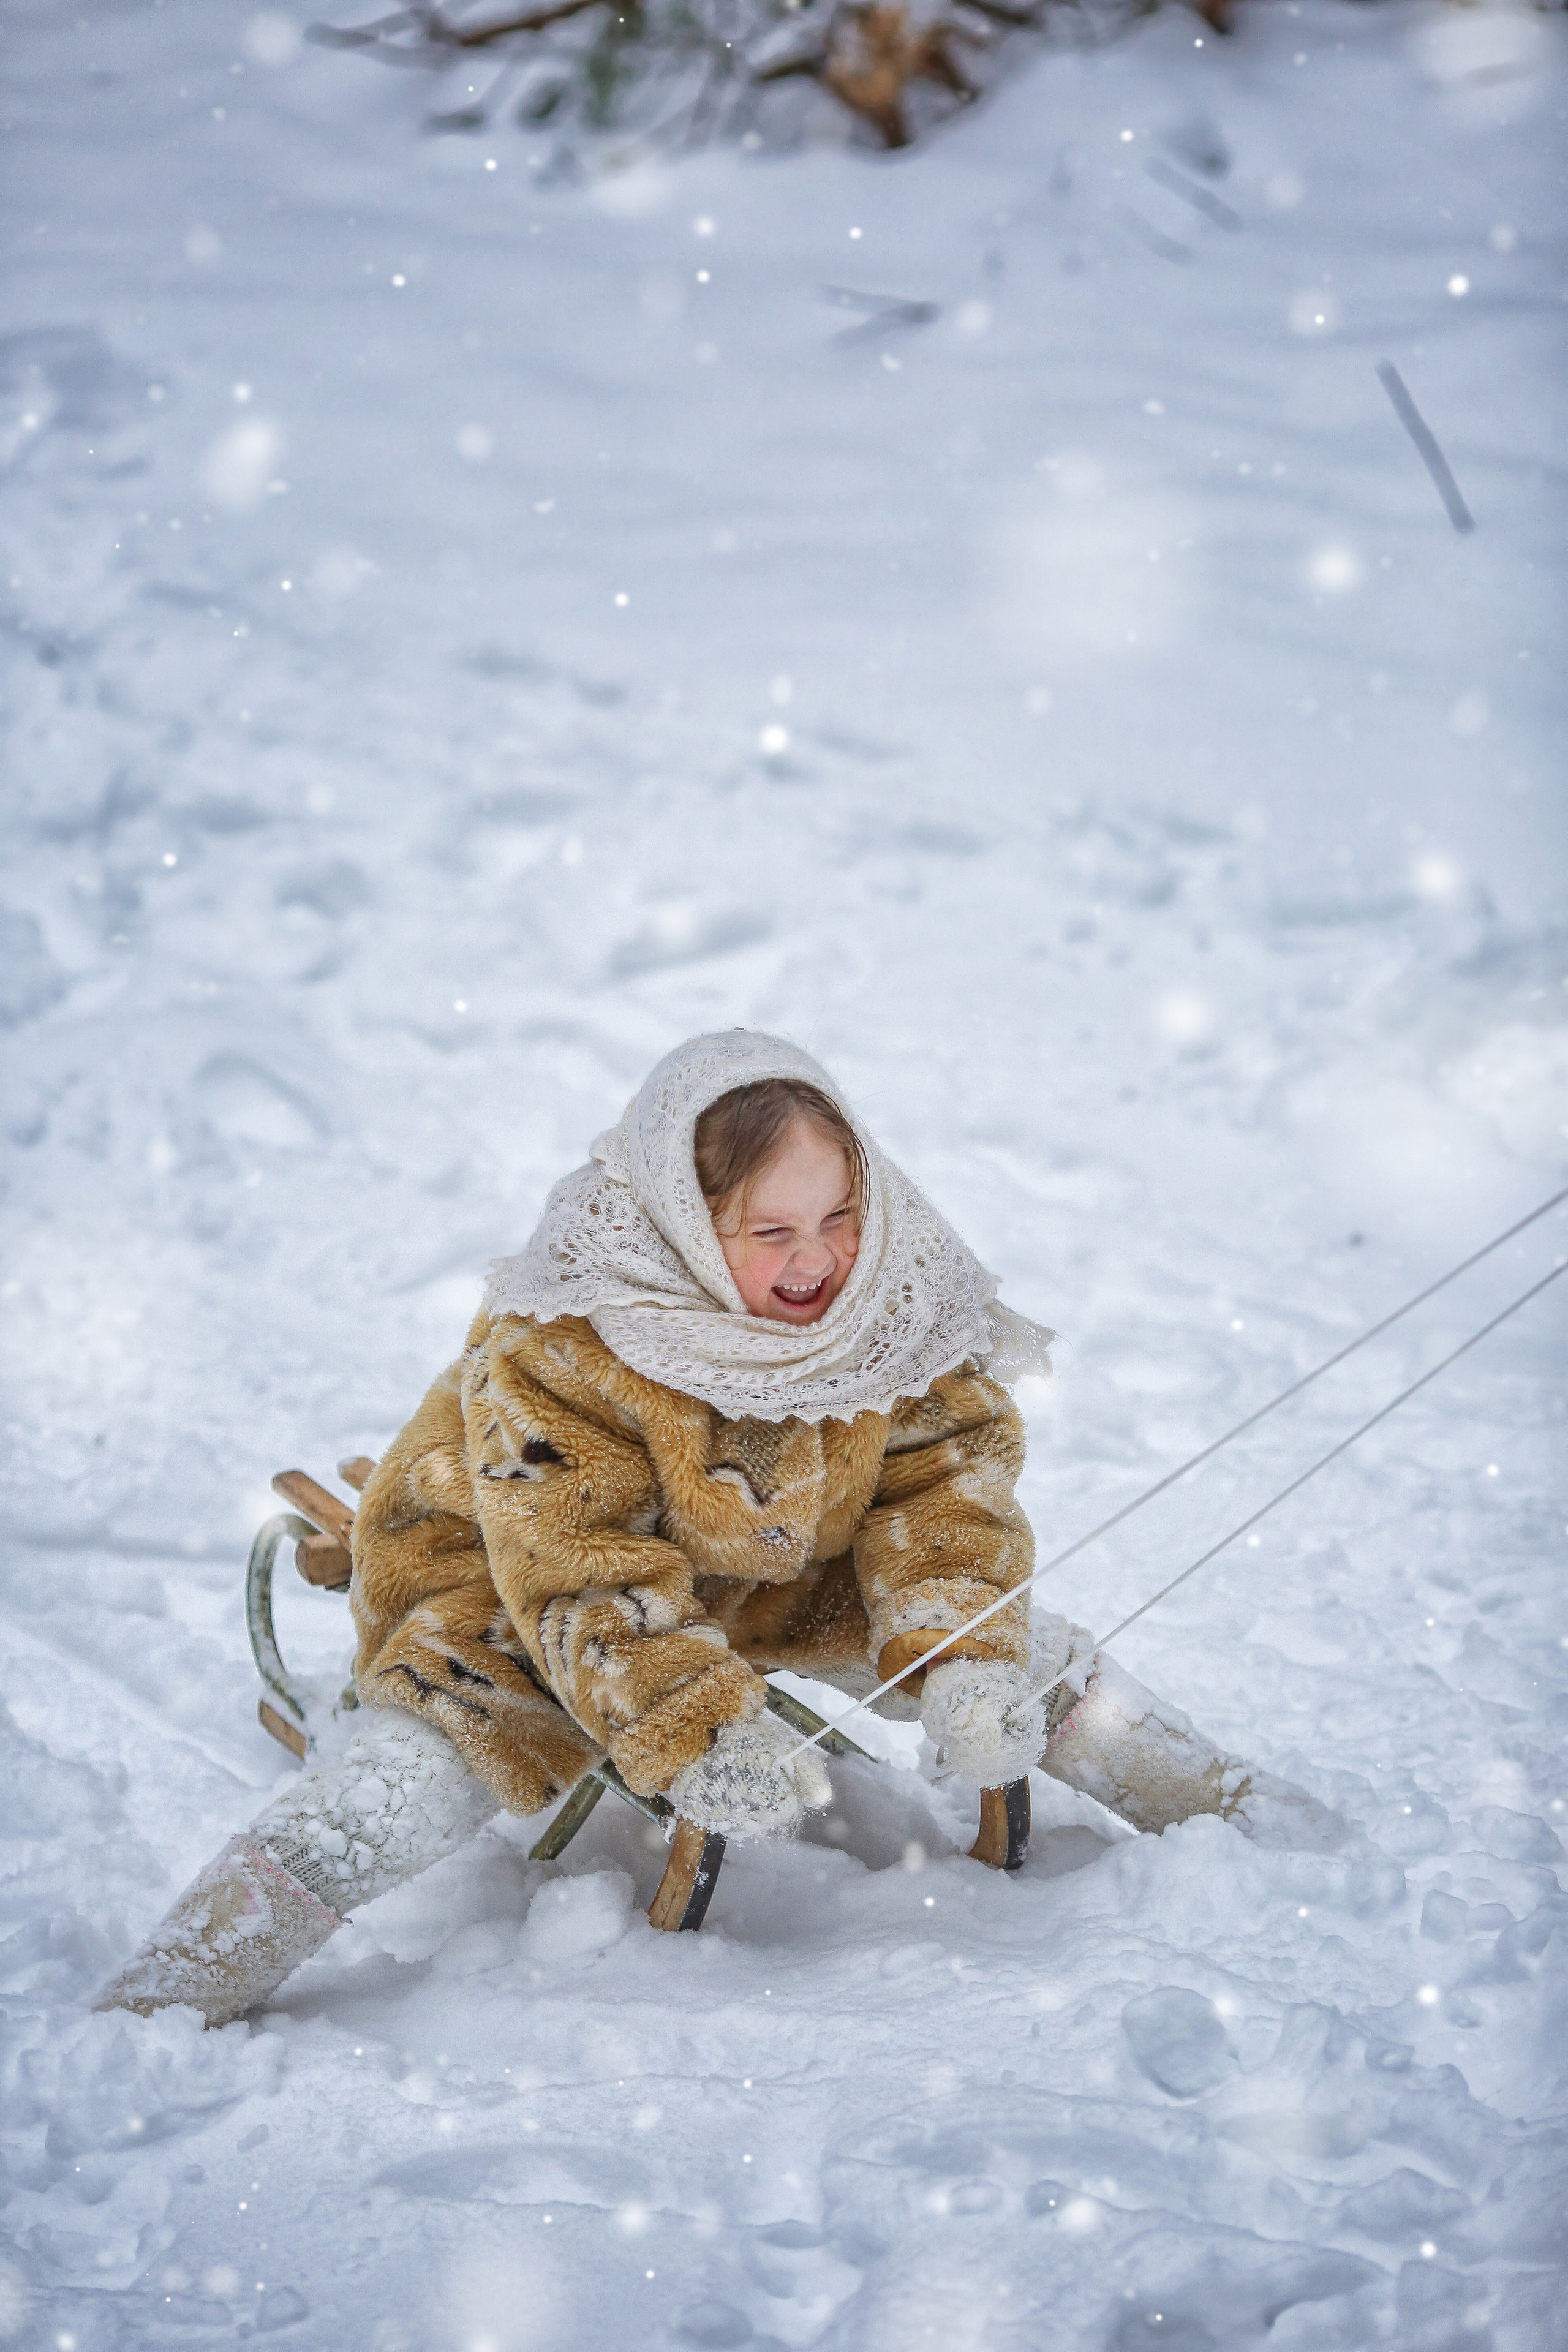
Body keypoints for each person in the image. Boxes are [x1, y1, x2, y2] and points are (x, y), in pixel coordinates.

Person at [99, 1030, 1336, 2027]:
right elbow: (583, 1570)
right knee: (414, 1774)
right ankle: (173, 1989)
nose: (821, 1261)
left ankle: (1241, 1816)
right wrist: (688, 1722)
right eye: (772, 1232)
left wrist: (957, 1656)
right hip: (523, 1581)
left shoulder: (892, 1297)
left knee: (1024, 1656)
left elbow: (941, 1479)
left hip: (768, 1573)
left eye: (839, 1215)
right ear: (688, 1230)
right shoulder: (574, 1341)